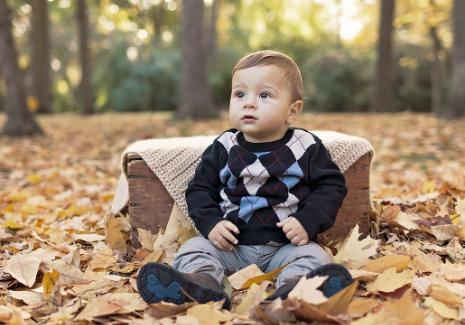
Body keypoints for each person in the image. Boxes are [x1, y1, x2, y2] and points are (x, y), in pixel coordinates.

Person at [137, 50, 353, 309]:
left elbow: (332, 186)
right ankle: (203, 283)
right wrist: (212, 223)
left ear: (292, 111)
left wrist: (307, 221)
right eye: (239, 94)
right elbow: (199, 189)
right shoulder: (224, 146)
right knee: (194, 248)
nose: (248, 103)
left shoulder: (304, 146)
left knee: (314, 256)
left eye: (264, 95)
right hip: (232, 247)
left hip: (286, 246)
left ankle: (294, 289)